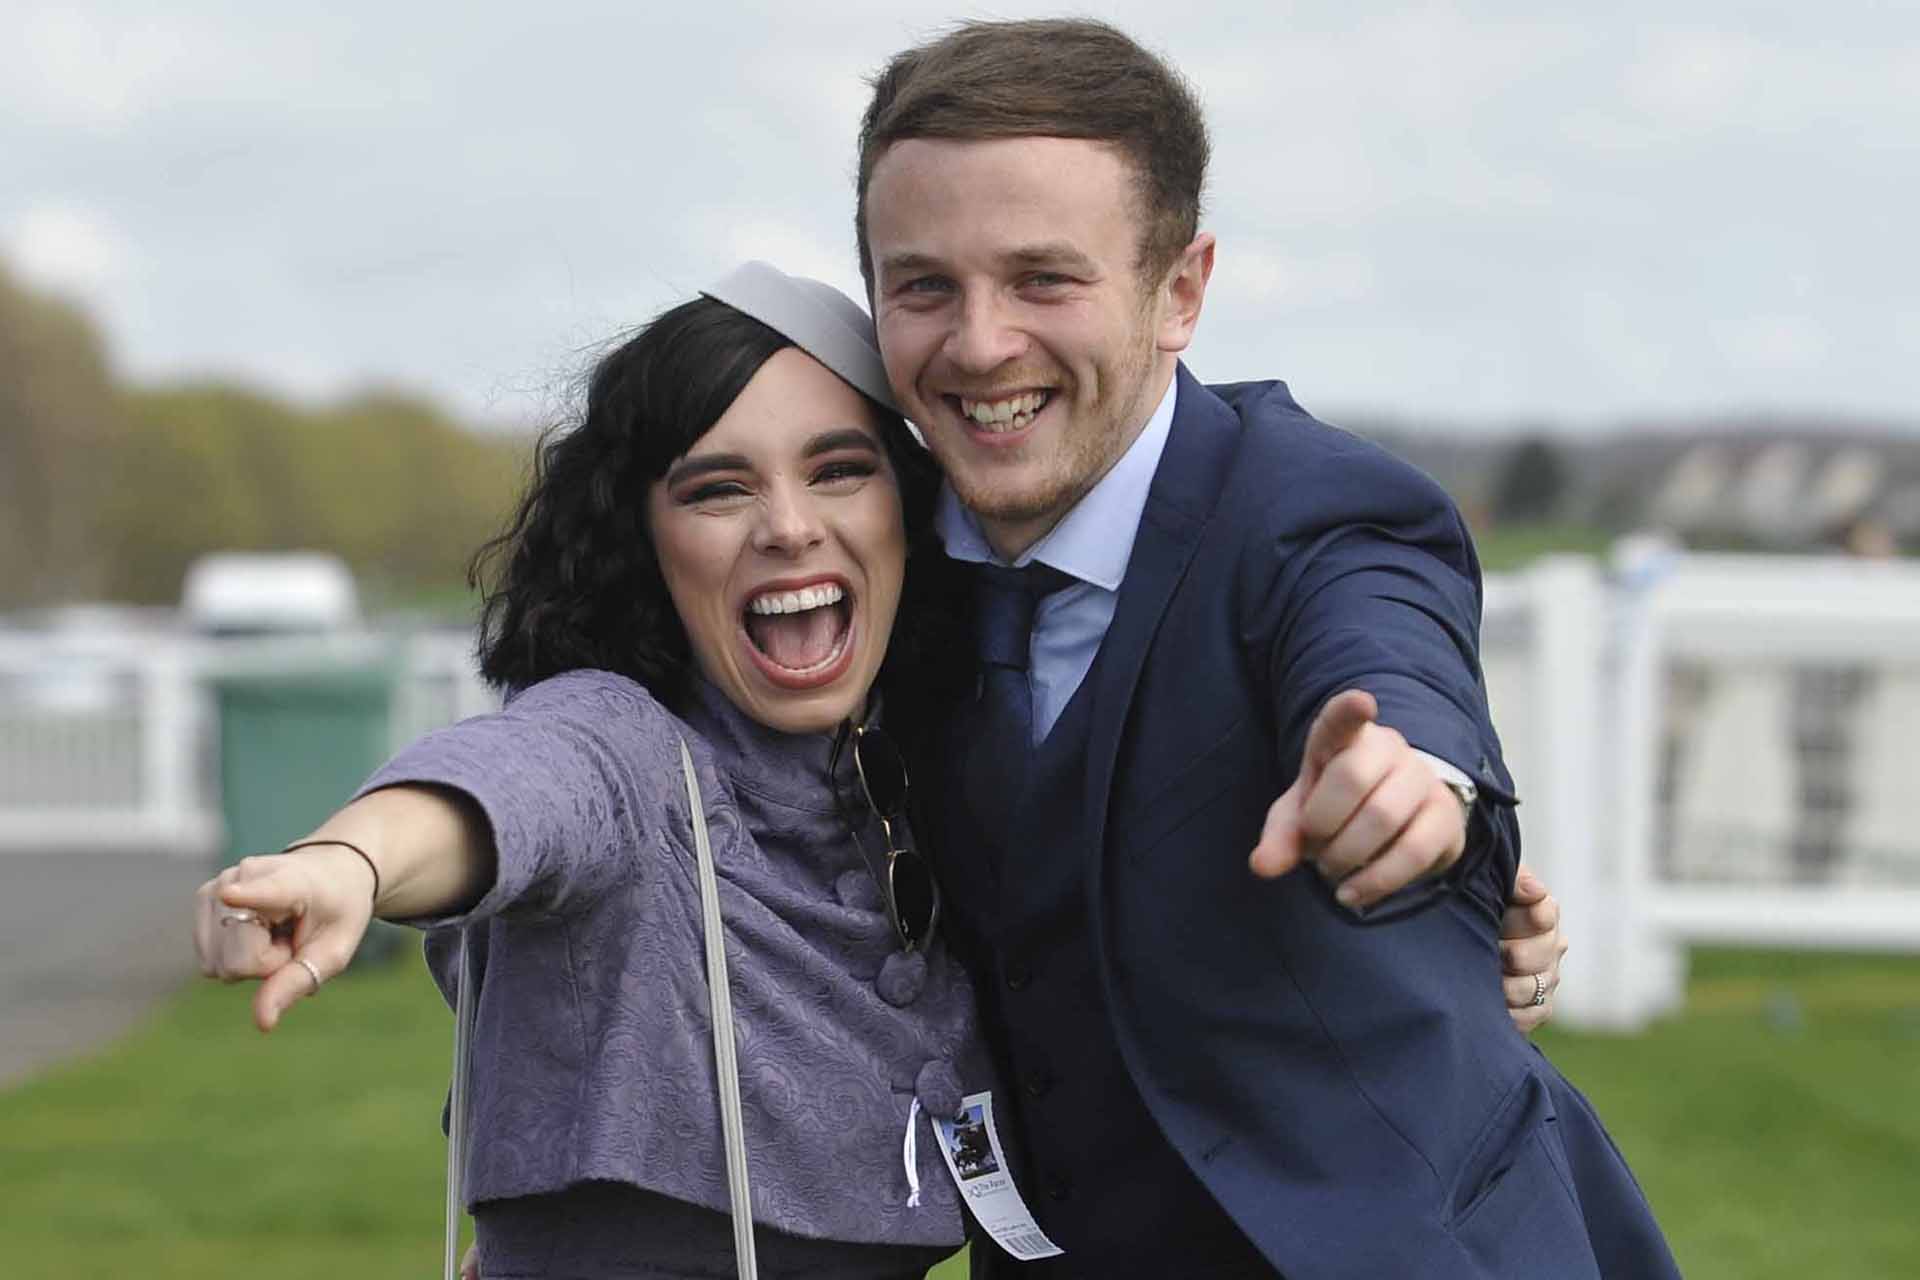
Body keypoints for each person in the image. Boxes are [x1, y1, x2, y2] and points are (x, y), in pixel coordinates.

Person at [192, 265, 1571, 1278]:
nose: (789, 527)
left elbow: (1129, 940)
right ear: (642, 542)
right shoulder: (626, 740)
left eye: (840, 471)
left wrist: (1418, 928)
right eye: (718, 487)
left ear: (911, 520)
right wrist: (350, 861)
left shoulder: (920, 782)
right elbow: (516, 783)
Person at [854, 18, 1679, 1279]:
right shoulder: (870, 558)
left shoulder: (1320, 508)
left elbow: (1388, 658)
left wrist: (1418, 789)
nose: (978, 342)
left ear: (1180, 290)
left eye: (1044, 279)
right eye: (923, 286)